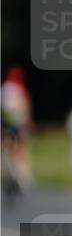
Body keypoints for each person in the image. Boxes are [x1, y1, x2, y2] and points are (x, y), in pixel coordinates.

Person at [1, 66, 33, 194]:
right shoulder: (20, 89)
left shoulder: (4, 89)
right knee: (20, 149)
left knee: (5, 148)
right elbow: (26, 106)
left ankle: (5, 171)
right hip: (17, 124)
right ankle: (22, 177)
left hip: (4, 124)